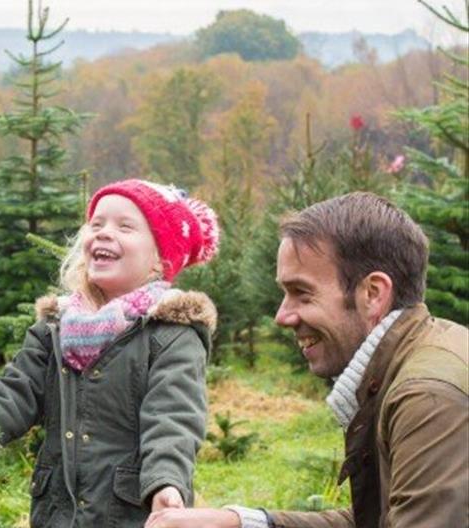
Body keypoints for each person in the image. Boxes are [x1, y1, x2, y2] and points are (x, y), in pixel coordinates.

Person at [145, 192, 469, 528]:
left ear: (372, 294)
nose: (282, 316)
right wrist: (240, 522)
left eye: (302, 293)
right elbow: (378, 519)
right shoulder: (414, 357)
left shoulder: (429, 399)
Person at [0, 179, 220, 526]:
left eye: (125, 226)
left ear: (160, 258)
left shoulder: (171, 334)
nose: (103, 233)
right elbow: (15, 398)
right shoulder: (55, 328)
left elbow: (173, 418)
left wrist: (166, 481)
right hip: (56, 514)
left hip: (128, 515)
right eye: (96, 224)